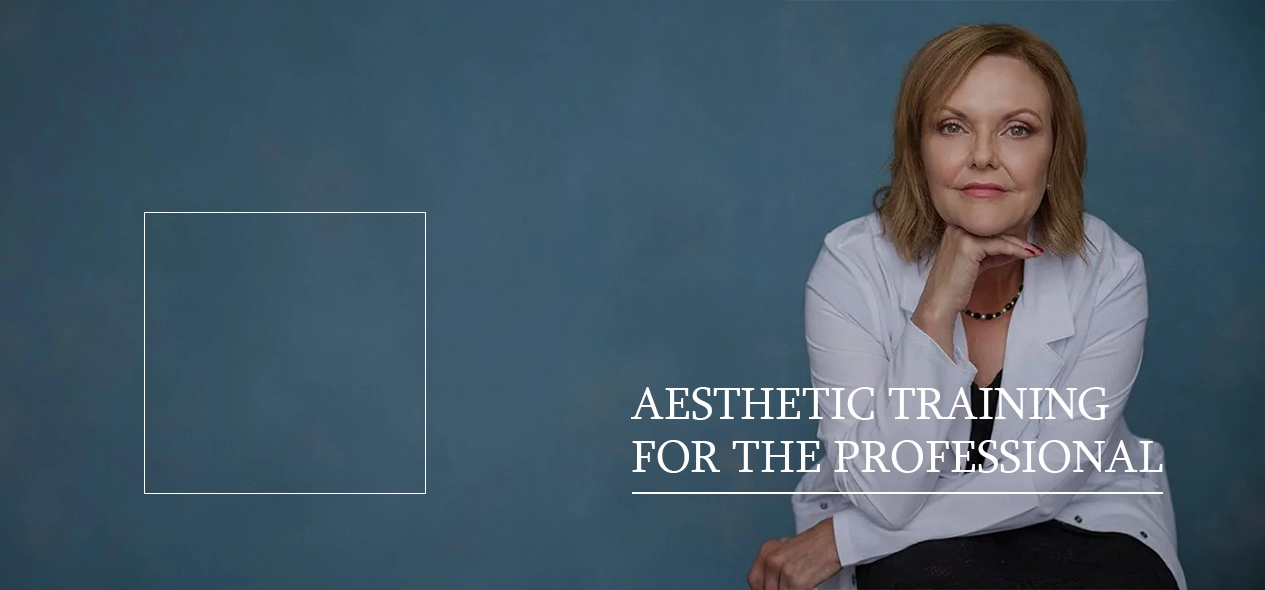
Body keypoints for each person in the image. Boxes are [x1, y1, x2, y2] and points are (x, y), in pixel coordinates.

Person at [746, 24, 1185, 590]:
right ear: (918, 148)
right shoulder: (852, 265)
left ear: (1056, 152)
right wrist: (935, 307)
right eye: (953, 127)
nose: (982, 156)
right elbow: (885, 493)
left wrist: (841, 540)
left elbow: (1045, 483)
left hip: (1086, 522)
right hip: (916, 545)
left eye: (1017, 130)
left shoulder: (1110, 271)